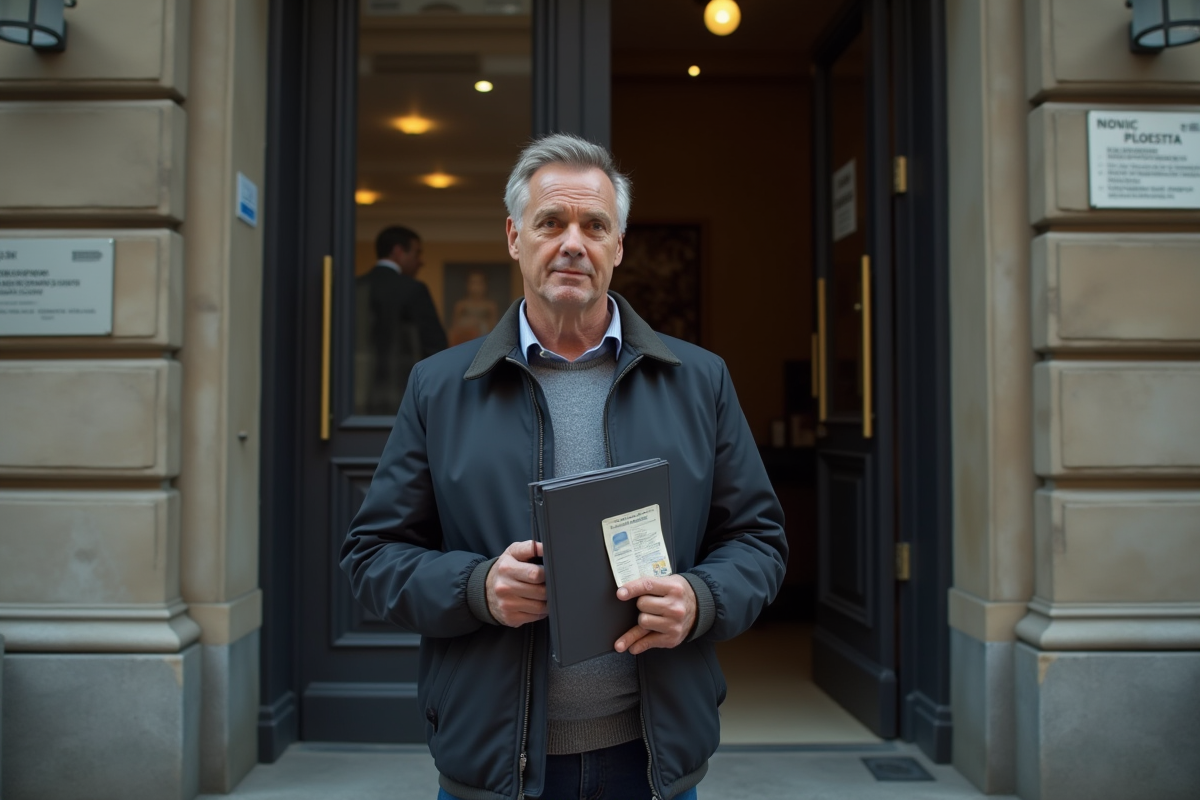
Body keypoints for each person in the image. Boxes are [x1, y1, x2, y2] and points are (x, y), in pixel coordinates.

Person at [341, 134, 787, 800]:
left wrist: (701, 599)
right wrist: (477, 588)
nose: (572, 242)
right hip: (494, 765)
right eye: (552, 222)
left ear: (618, 247)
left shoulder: (699, 381)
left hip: (652, 761)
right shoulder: (439, 387)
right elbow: (372, 558)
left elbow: (759, 543)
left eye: (594, 225)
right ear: (516, 237)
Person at [356, 226, 448, 414]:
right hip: (402, 394)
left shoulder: (355, 287)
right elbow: (435, 348)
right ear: (398, 251)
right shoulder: (413, 289)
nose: (420, 261)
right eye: (417, 253)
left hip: (355, 395)